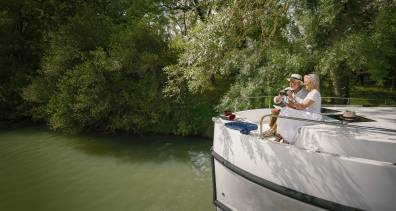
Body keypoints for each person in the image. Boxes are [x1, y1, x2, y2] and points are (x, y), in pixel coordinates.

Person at [276, 74, 322, 144]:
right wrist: (289, 98)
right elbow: (300, 105)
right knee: (285, 111)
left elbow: (302, 106)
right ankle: (283, 137)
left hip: (313, 116)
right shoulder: (311, 93)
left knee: (287, 112)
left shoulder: (314, 93)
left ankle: (286, 139)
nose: (304, 84)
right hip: (307, 114)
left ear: (312, 83)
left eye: (306, 82)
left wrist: (291, 97)